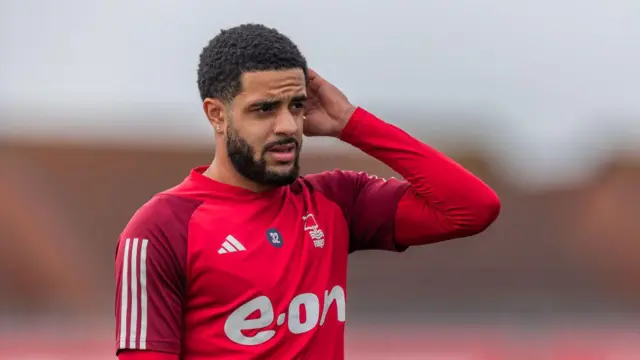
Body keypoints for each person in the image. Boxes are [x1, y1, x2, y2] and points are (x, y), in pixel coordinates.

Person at [115, 24, 501, 360]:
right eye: (265, 109)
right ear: (217, 114)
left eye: (296, 105)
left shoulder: (336, 200)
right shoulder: (161, 229)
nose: (287, 125)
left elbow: (473, 207)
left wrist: (350, 122)